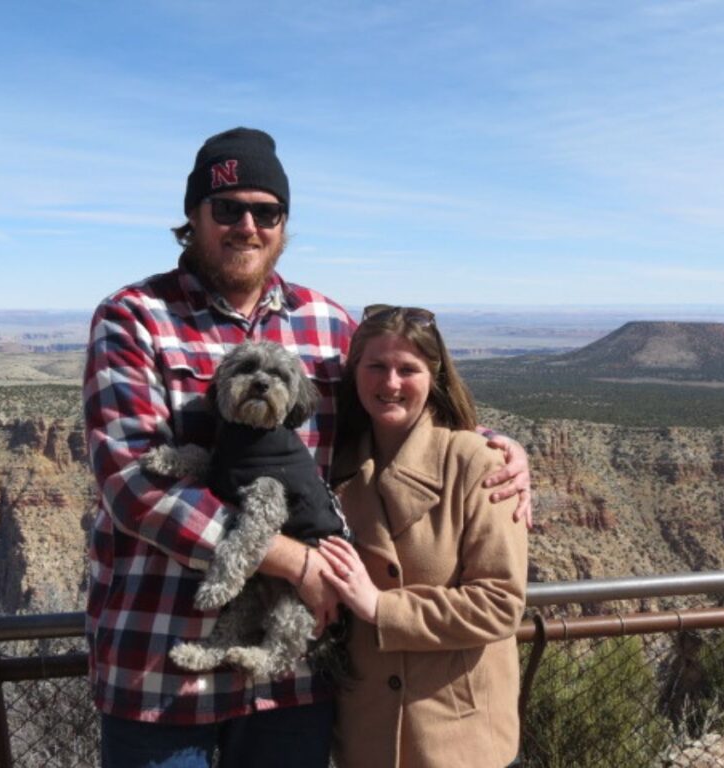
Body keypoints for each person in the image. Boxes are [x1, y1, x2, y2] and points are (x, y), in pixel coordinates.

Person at [83, 127, 531, 768]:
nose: (247, 225)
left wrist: (493, 445)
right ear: (192, 216)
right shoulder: (135, 316)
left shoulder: (326, 323)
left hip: (292, 680)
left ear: (284, 223)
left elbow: (391, 407)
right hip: (162, 666)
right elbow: (134, 486)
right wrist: (298, 563)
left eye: (266, 212)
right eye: (226, 208)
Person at [318, 304, 528, 768]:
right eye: (375, 366)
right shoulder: (334, 467)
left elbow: (500, 603)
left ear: (433, 375)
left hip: (459, 738)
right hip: (366, 735)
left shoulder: (477, 465)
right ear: (355, 373)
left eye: (407, 369)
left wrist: (380, 607)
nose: (389, 383)